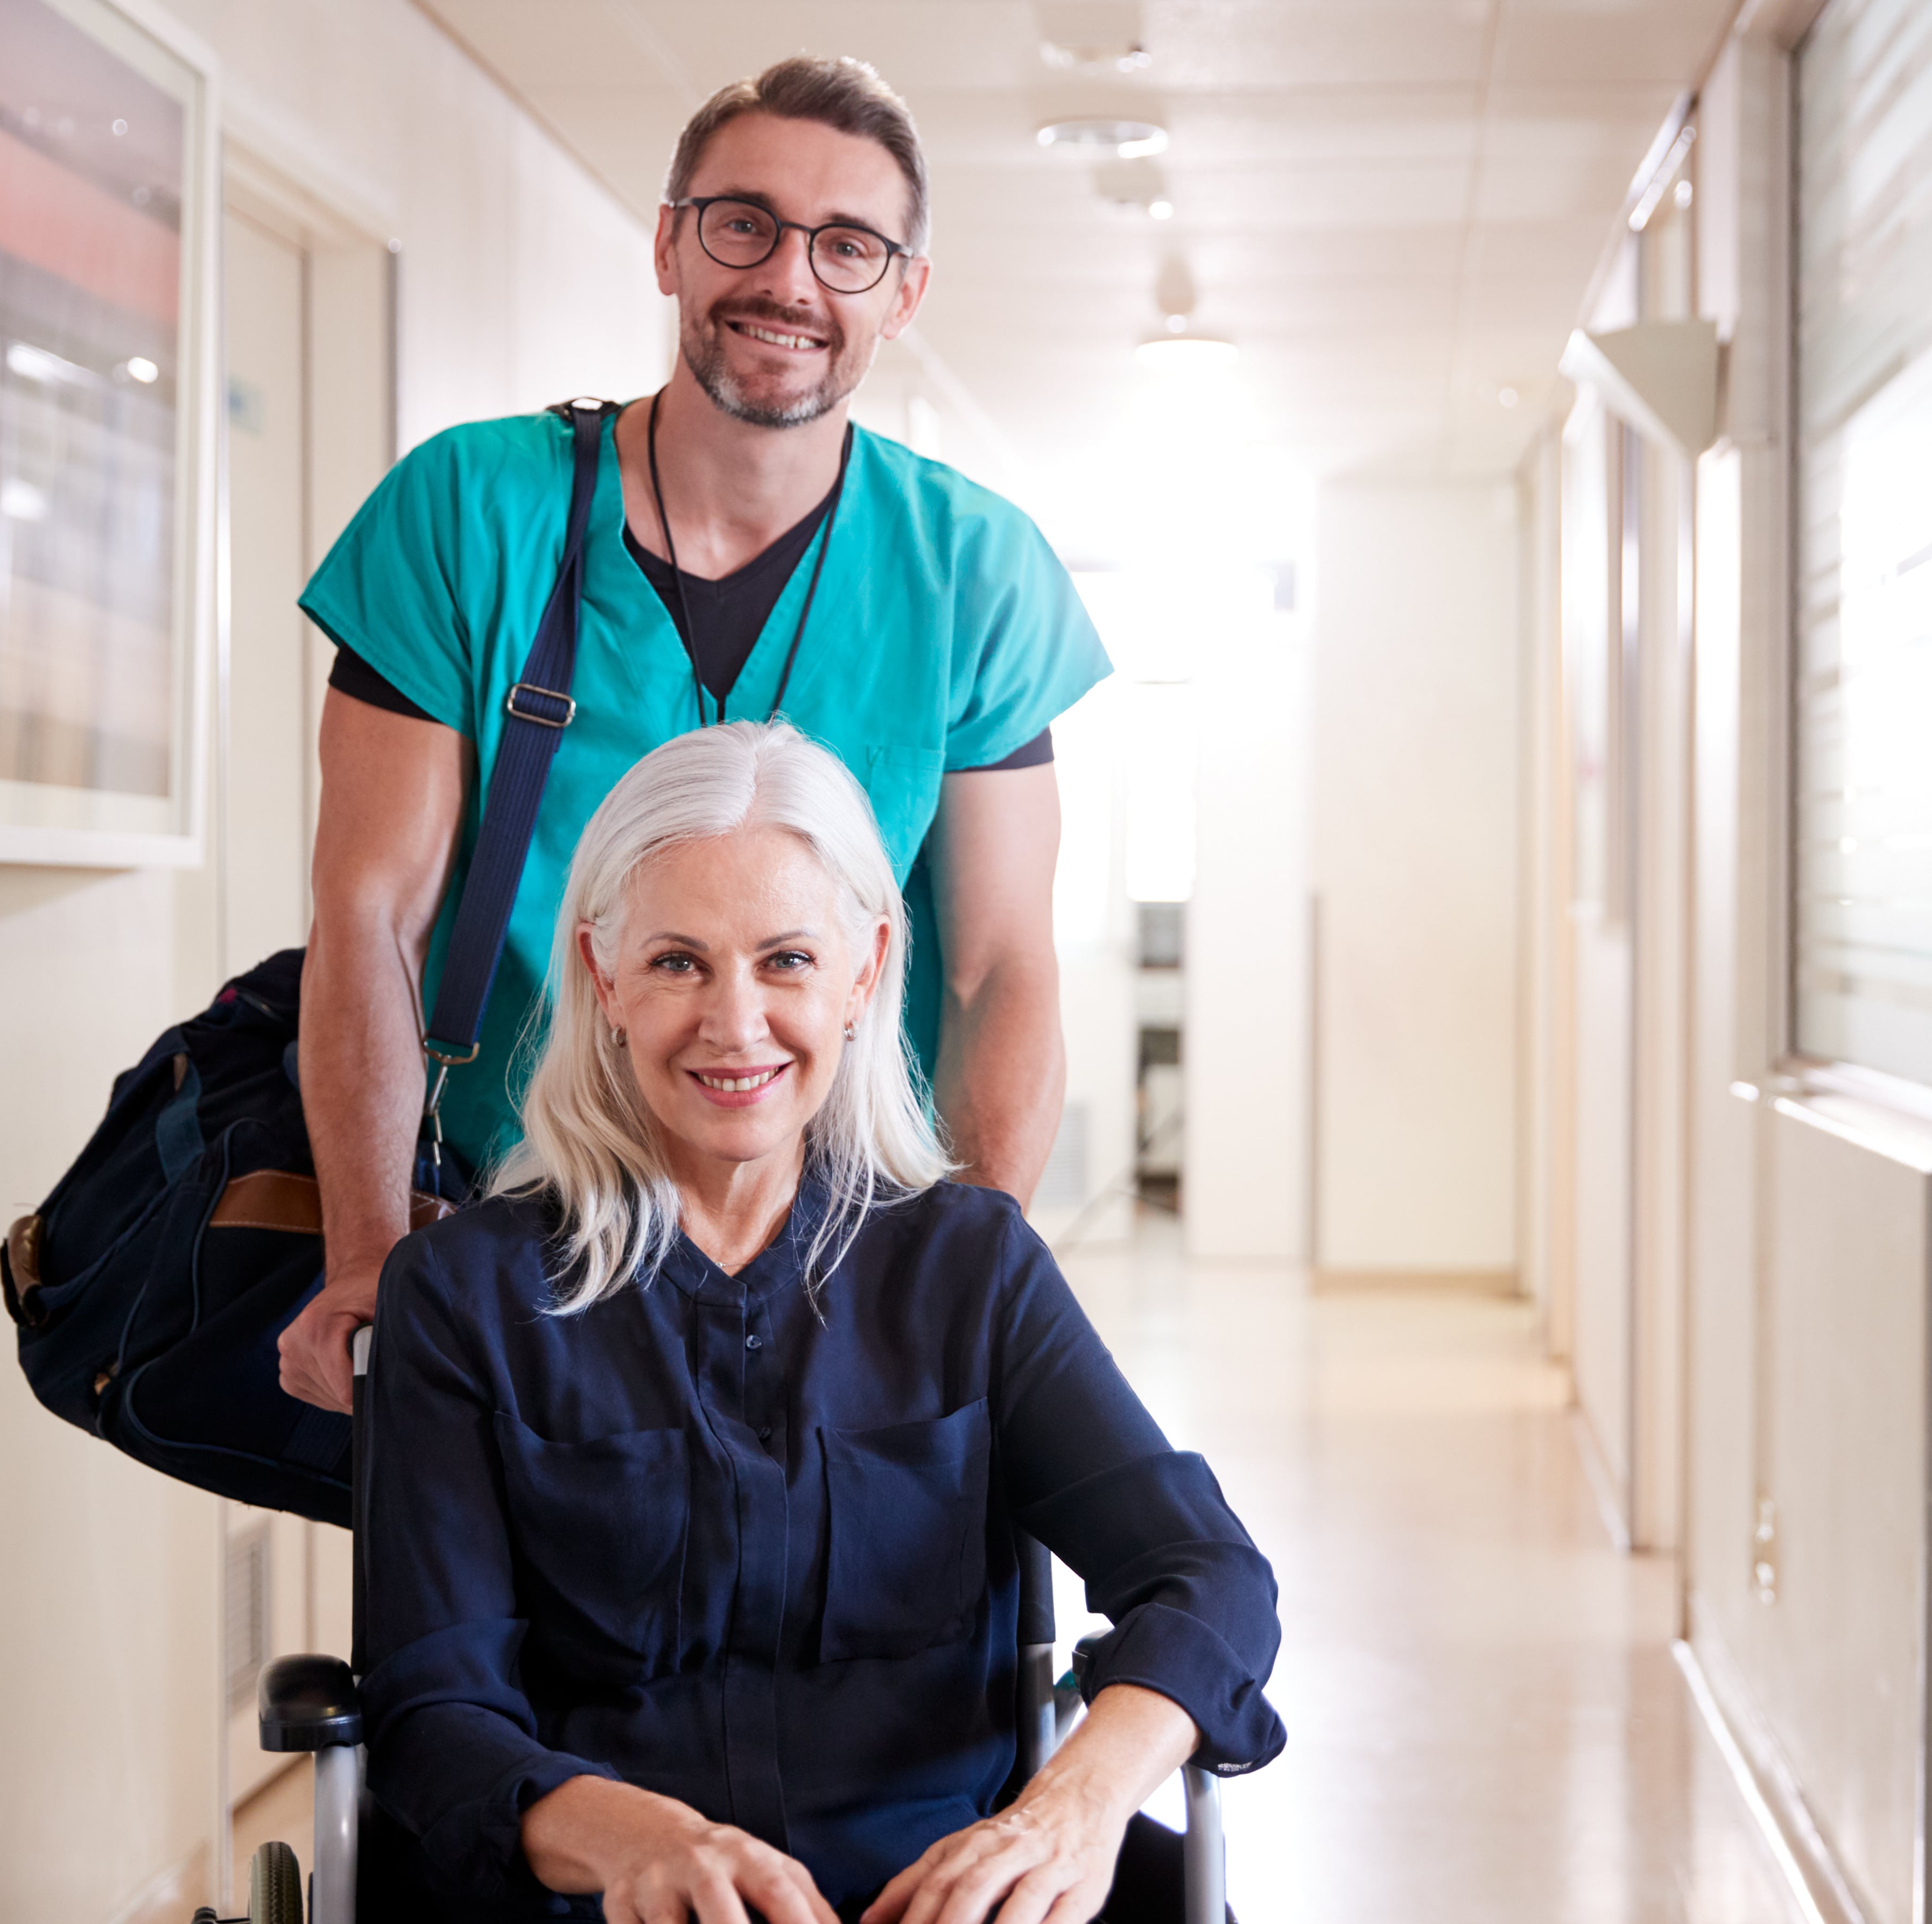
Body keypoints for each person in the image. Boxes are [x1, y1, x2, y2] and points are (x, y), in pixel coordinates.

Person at [283, 55, 1108, 1413]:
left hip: (847, 1254)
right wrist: (373, 1256)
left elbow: (1003, 966)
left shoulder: (974, 569)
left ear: (902, 293)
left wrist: (973, 1276)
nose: (790, 279)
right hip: (514, 1234)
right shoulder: (469, 512)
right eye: (746, 223)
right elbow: (368, 912)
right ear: (669, 242)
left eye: (848, 247)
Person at [360, 721, 1281, 1923]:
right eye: (679, 961)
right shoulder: (462, 1292)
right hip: (601, 1898)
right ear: (604, 977)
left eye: (785, 958)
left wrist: (1072, 1808)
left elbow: (1207, 1574)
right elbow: (434, 1711)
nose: (734, 1023)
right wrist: (641, 1839)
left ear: (863, 972)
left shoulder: (971, 1267)